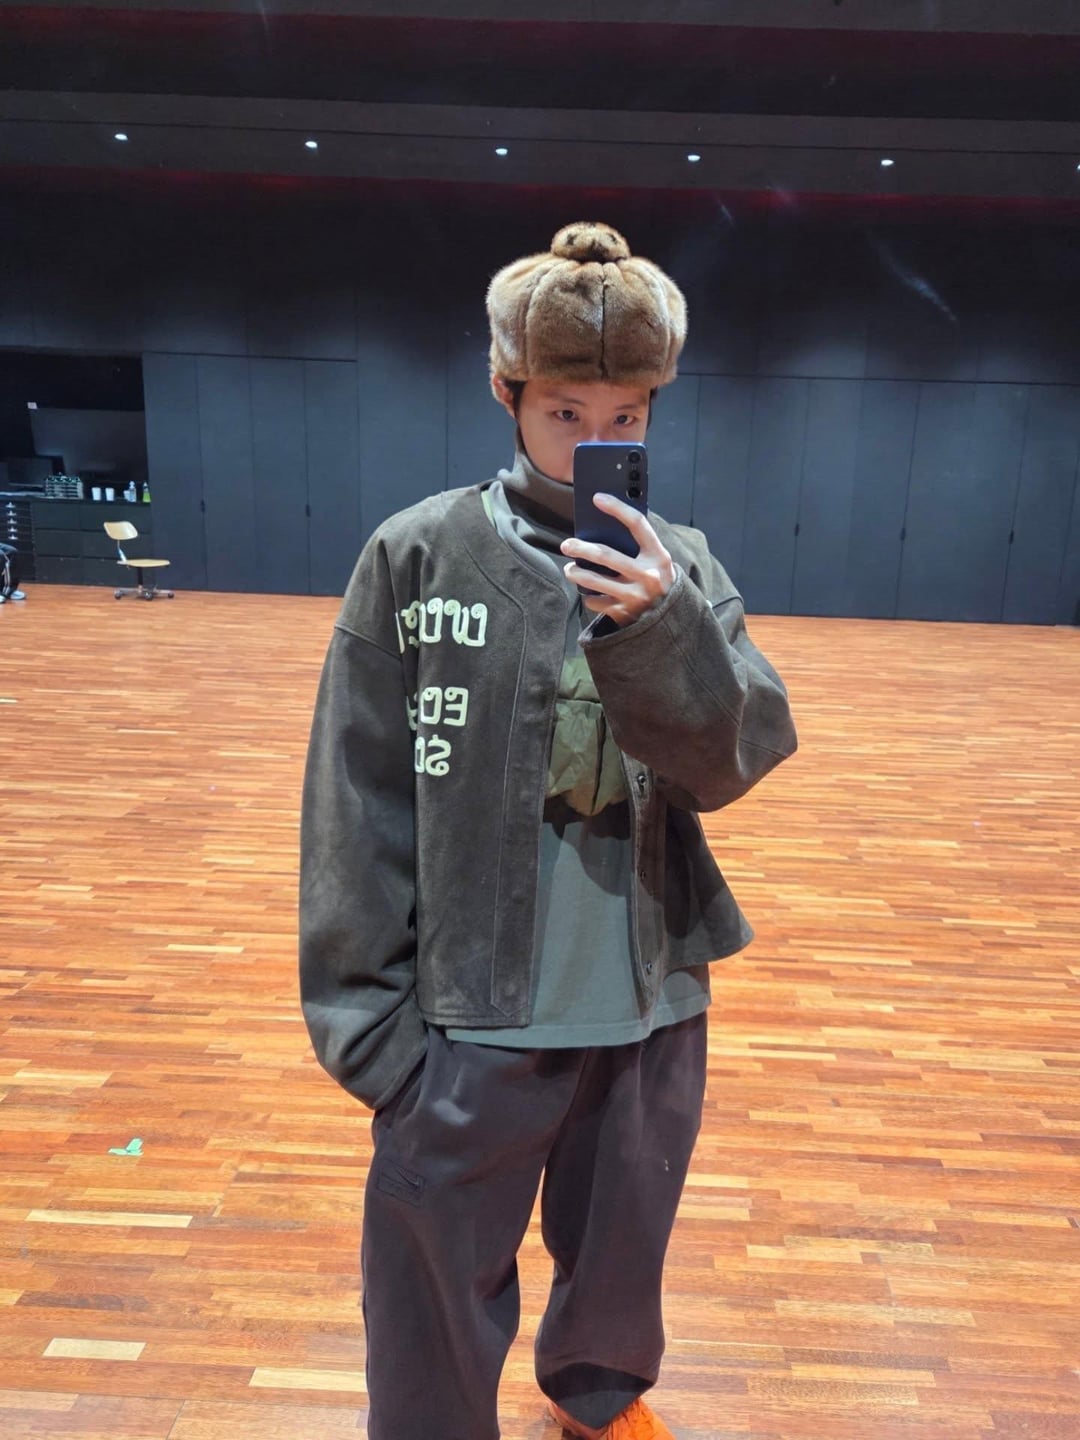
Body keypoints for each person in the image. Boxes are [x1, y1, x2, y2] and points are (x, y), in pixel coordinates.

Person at [299, 221, 798, 1440]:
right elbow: (355, 797)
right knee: (430, 1270)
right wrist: (370, 1030)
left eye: (624, 417)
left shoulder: (679, 566)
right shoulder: (419, 556)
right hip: (469, 1010)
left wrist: (663, 628)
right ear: (506, 393)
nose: (593, 442)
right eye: (566, 412)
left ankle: (599, 1396)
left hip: (647, 1002)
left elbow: (738, 758)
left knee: (623, 1245)